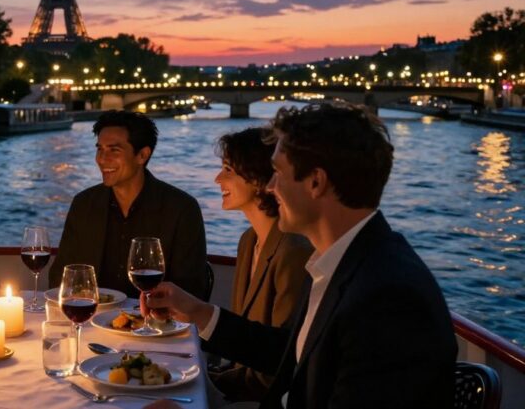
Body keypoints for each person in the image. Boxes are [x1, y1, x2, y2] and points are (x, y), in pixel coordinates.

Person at [143, 103, 457, 409]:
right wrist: (197, 311)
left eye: (278, 172)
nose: (270, 185)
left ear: (316, 182)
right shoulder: (339, 264)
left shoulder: (388, 300)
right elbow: (288, 355)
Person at [49, 110, 208, 298]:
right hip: (93, 319)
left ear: (142, 155)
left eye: (114, 150)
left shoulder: (181, 208)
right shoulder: (84, 204)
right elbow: (60, 277)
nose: (102, 159)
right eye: (100, 149)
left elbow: (192, 289)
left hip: (155, 322)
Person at [209, 127, 313, 402]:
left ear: (258, 179)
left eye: (228, 170)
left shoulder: (294, 251)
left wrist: (206, 383)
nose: (217, 178)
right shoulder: (249, 240)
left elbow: (277, 366)